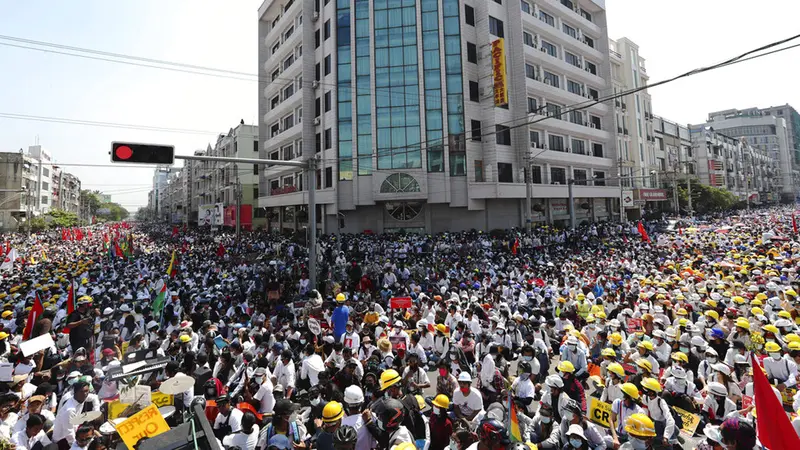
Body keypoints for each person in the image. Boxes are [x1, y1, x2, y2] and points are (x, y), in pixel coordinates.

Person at [53, 380, 90, 450]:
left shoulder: (81, 398)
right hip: (62, 440)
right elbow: (69, 434)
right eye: (82, 391)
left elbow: (94, 398)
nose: (85, 394)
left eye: (87, 391)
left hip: (75, 430)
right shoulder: (69, 410)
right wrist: (78, 447)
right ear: (75, 392)